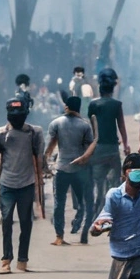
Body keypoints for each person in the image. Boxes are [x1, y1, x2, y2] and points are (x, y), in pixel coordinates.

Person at [0, 98, 45, 274]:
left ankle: (22, 259)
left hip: (26, 183)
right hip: (7, 184)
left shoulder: (35, 133)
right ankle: (6, 259)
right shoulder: (0, 134)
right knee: (7, 221)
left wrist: (39, 184)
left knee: (26, 223)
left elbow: (39, 159)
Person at [45, 95, 95, 246]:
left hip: (62, 168)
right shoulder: (85, 126)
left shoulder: (56, 123)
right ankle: (79, 225)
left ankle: (59, 236)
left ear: (66, 107)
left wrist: (45, 161)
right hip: (79, 169)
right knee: (82, 201)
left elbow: (51, 145)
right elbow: (89, 149)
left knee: (59, 203)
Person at [87, 68, 129, 221]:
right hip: (112, 148)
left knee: (98, 184)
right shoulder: (116, 104)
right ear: (112, 89)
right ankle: (114, 215)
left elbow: (91, 128)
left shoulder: (93, 105)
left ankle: (96, 216)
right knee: (115, 184)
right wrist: (125, 145)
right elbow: (122, 126)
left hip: (97, 149)